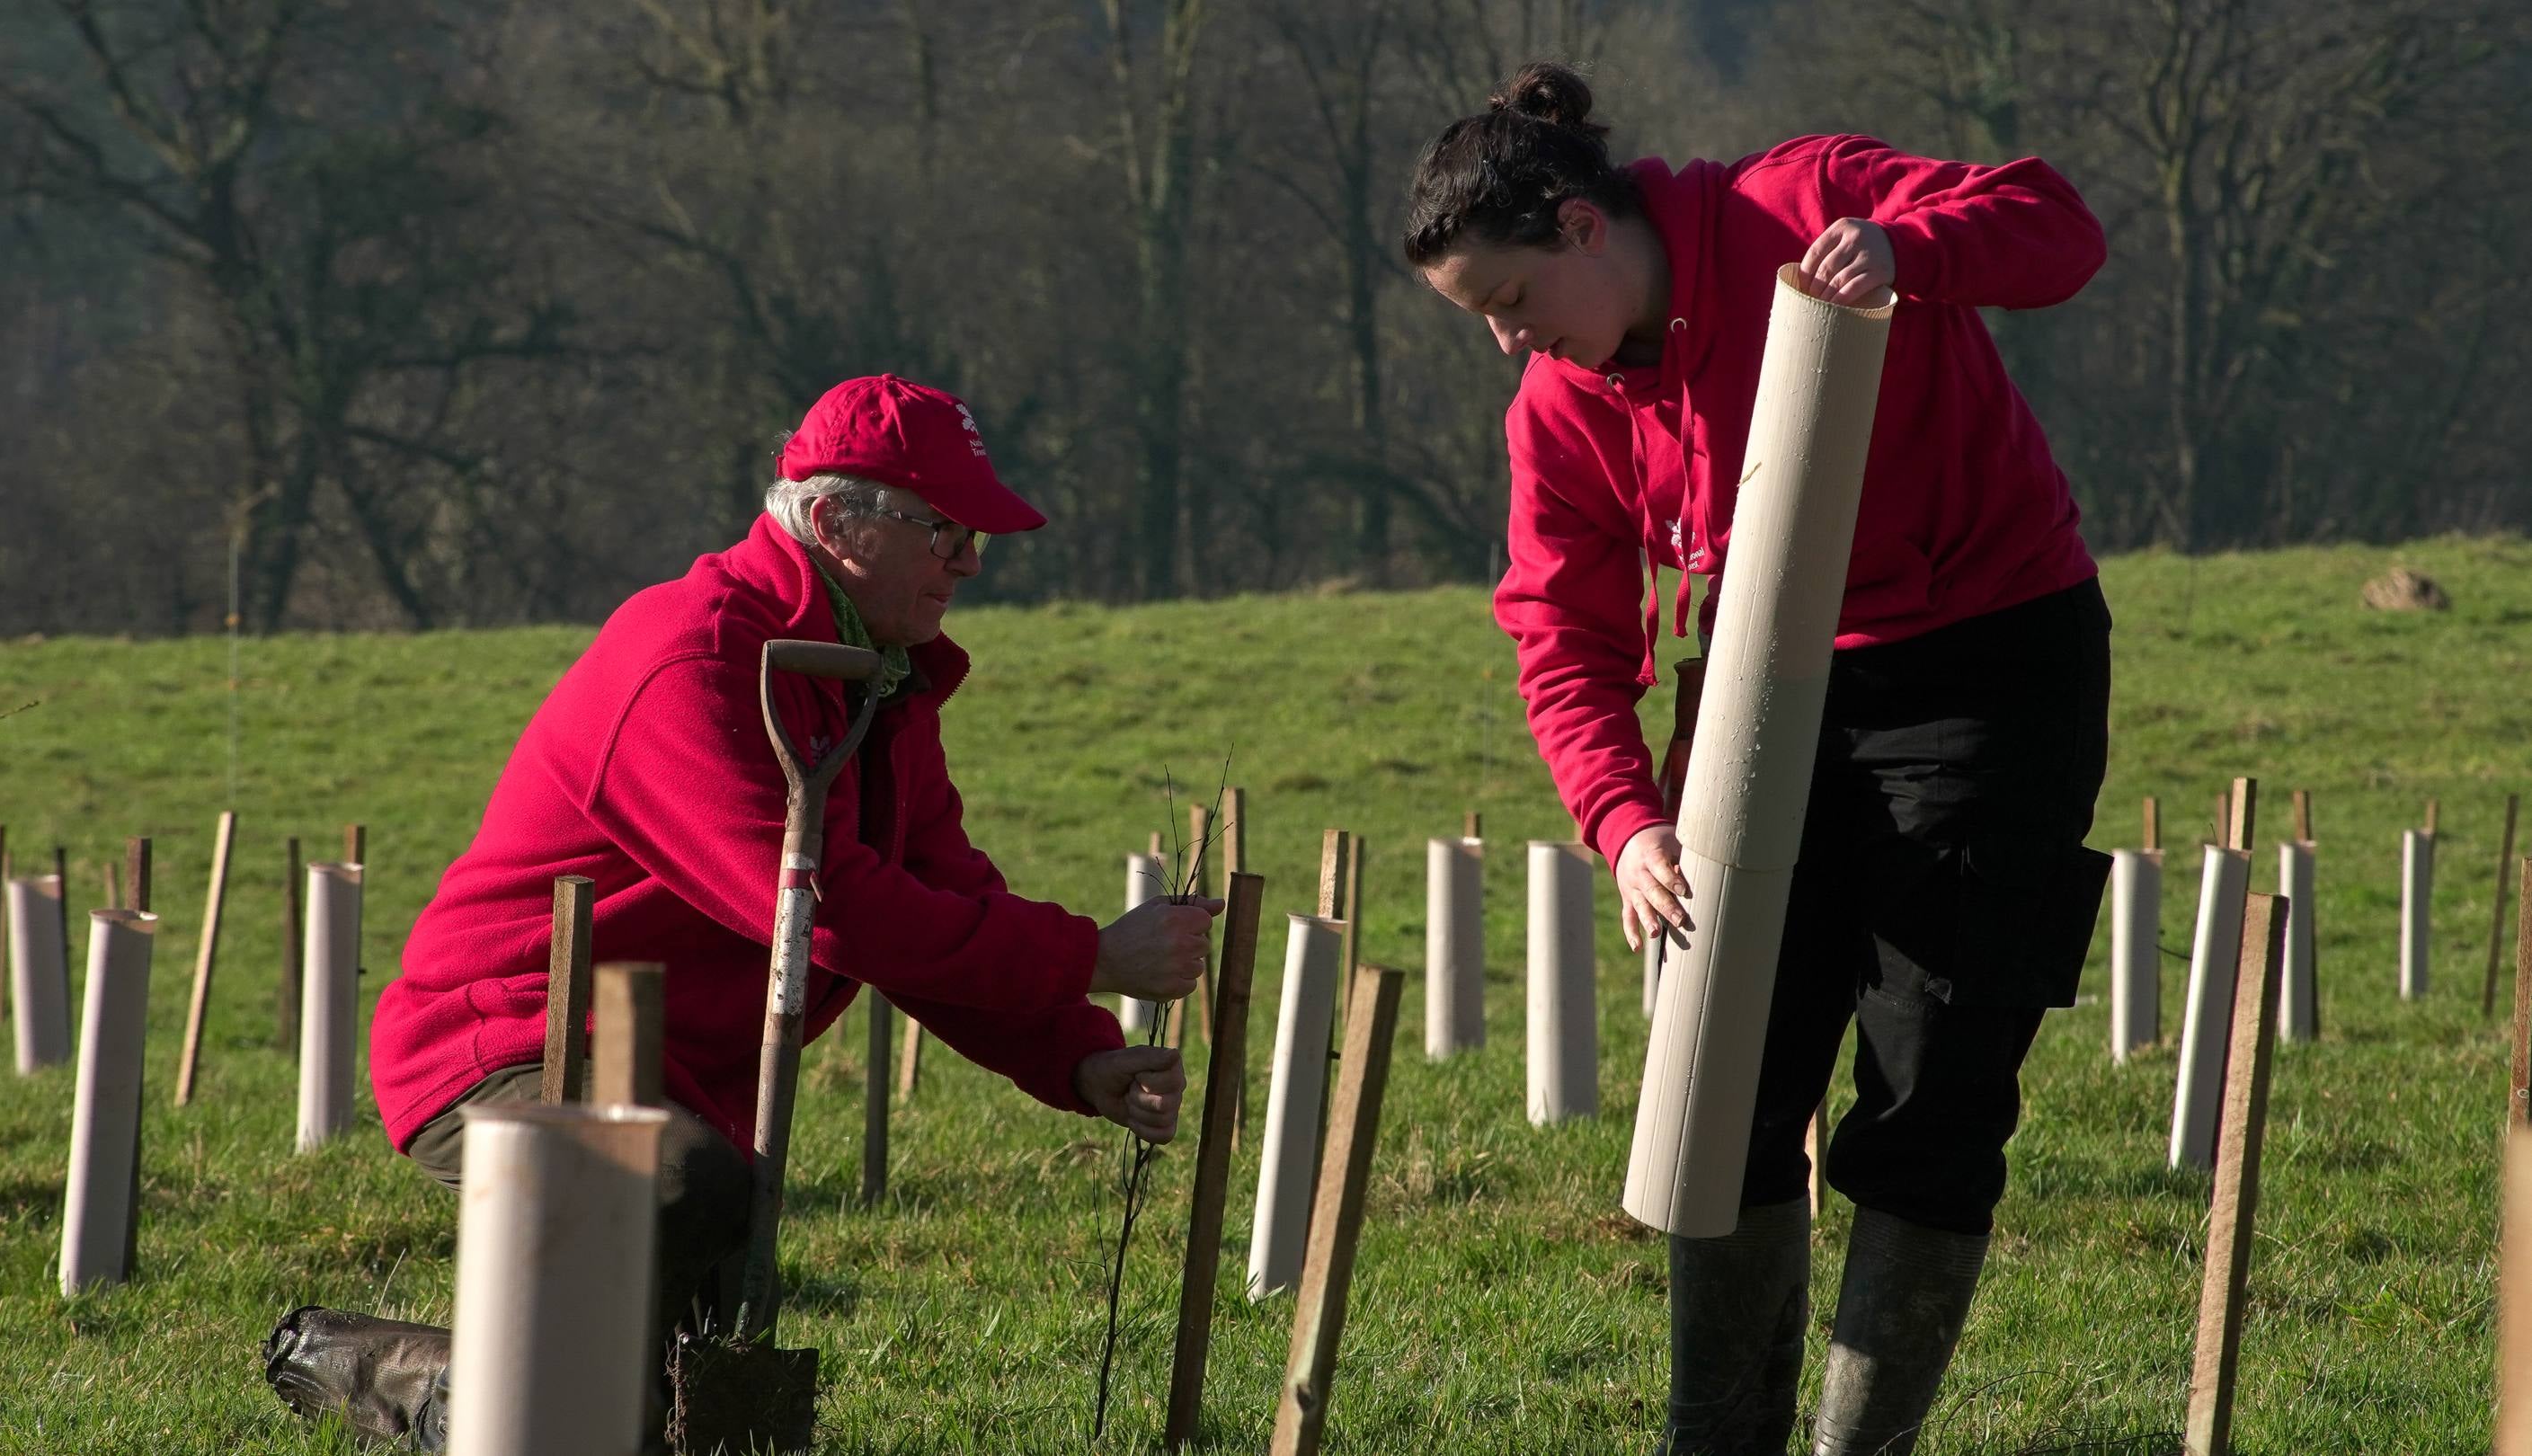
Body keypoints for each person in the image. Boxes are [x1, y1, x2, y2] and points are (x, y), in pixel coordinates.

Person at [264, 374, 1216, 1449]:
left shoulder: (878, 681)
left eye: (976, 533)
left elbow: (941, 896)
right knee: (674, 1198)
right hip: (507, 1039)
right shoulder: (695, 656)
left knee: (664, 1389)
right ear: (831, 520)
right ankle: (411, 1386)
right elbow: (825, 915)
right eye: (941, 528)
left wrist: (1074, 1053)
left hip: (676, 1069)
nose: (970, 560)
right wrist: (1090, 955)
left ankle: (395, 1367)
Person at [1404, 63, 2113, 1456]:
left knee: (1931, 1079)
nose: (1508, 344)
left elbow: (2054, 230)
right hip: (1759, 689)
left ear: (1579, 229)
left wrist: (1910, 251)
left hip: (1984, 665)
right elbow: (1558, 629)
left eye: (1509, 304)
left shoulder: (1800, 198)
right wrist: (1623, 821)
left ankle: (1864, 1442)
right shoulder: (1559, 412)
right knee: (1716, 1077)